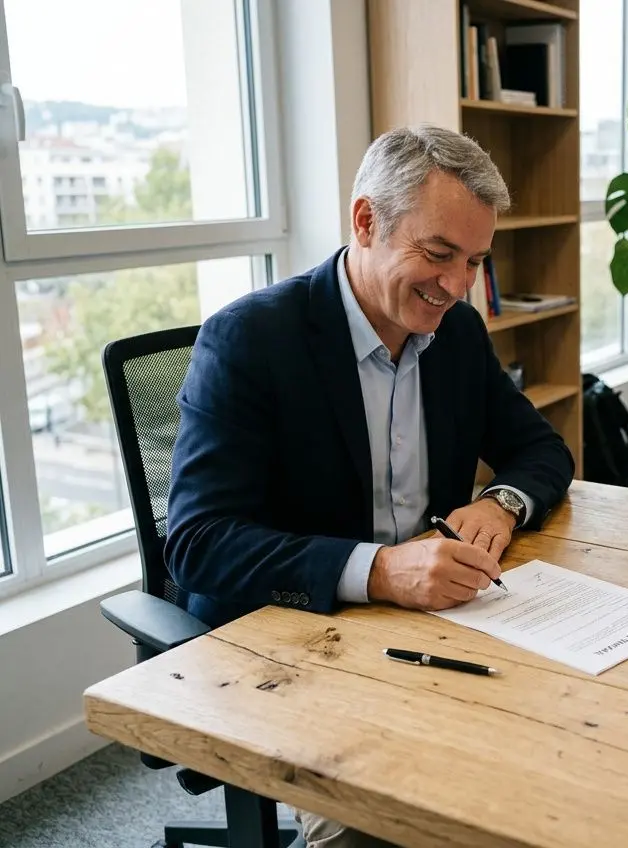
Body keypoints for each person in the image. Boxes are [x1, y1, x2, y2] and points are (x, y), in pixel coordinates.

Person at [166, 125, 575, 847]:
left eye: (475, 261)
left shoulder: (456, 333)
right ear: (365, 221)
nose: (456, 287)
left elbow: (541, 450)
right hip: (291, 640)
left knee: (558, 756)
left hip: (431, 630)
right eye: (438, 254)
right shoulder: (252, 341)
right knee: (384, 828)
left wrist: (500, 501)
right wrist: (380, 571)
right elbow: (199, 546)